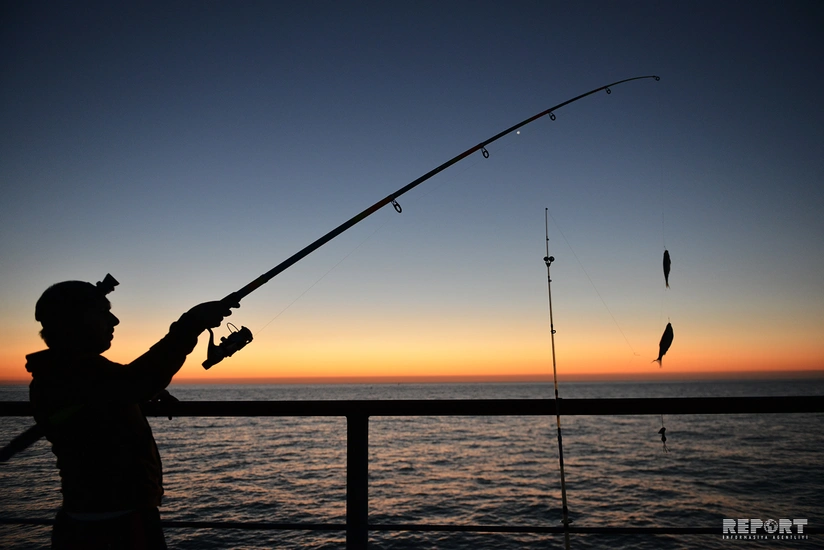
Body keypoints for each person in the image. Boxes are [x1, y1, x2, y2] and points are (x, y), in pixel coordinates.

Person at [26, 275, 236, 549]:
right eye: (103, 312)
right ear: (73, 322)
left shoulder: (60, 373)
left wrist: (142, 397)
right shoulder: (73, 373)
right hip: (112, 527)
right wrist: (190, 324)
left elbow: (111, 394)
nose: (114, 321)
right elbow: (134, 382)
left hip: (92, 518)